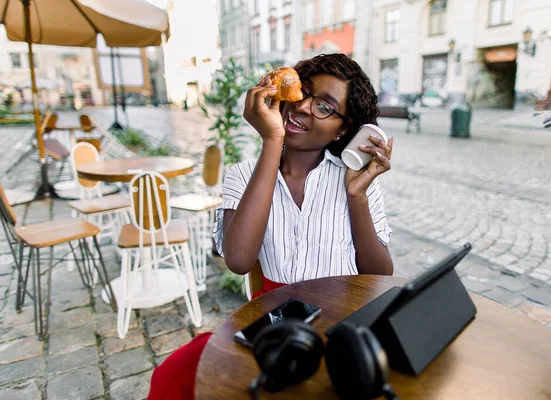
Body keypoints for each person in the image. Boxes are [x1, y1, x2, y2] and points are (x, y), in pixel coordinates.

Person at [147, 53, 393, 400]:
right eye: (302, 92)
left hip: (346, 322)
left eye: (324, 106)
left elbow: (380, 275)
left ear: (344, 129)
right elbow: (238, 259)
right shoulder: (243, 176)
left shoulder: (355, 182)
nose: (304, 107)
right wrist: (271, 140)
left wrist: (357, 197)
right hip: (274, 324)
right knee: (172, 378)